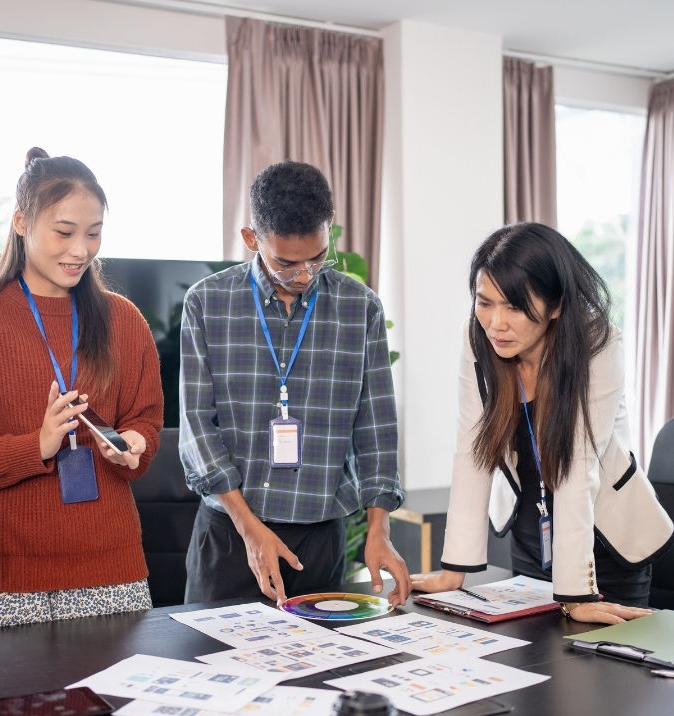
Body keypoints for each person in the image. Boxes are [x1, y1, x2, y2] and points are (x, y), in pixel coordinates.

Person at [0, 148, 163, 631]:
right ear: (21, 222)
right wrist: (37, 445)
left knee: (116, 708)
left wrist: (135, 444)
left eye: (93, 234)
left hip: (111, 573)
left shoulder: (124, 321)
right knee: (2, 707)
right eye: (65, 232)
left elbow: (145, 420)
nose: (81, 250)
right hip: (5, 581)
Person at [179, 160, 411, 606]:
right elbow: (196, 426)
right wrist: (251, 530)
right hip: (231, 535)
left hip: (319, 542)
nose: (305, 275)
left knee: (319, 672)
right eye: (286, 262)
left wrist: (379, 528)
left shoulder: (359, 308)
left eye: (318, 258)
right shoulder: (207, 304)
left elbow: (376, 427)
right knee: (216, 671)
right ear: (251, 239)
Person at [412, 222, 662, 624]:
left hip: (605, 543)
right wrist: (453, 570)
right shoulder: (477, 338)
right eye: (484, 302)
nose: (496, 323)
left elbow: (578, 467)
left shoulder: (598, 343)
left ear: (556, 304)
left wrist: (577, 594)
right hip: (532, 534)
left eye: (514, 306)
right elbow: (471, 450)